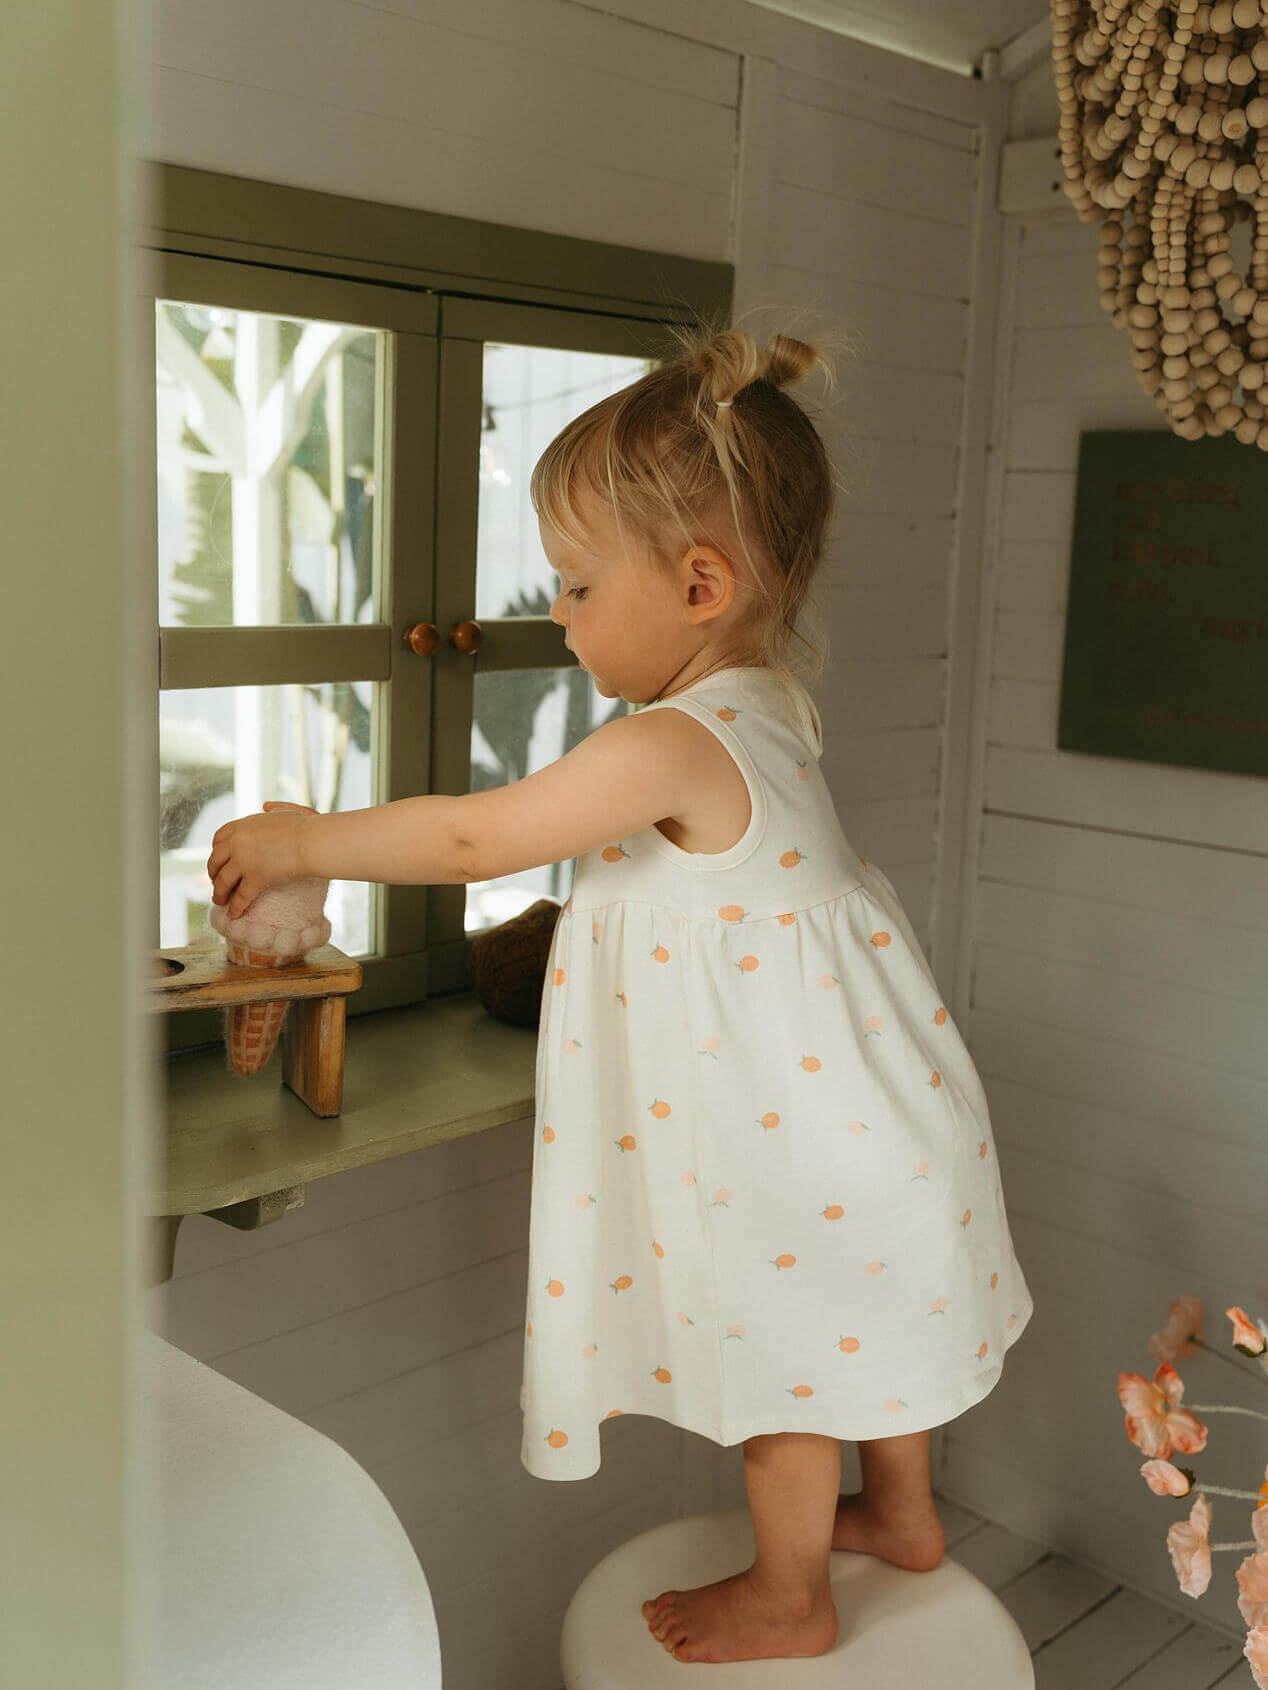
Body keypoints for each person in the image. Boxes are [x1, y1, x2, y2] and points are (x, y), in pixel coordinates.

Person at [206, 320, 1035, 1667]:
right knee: (868, 1324)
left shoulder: (669, 740)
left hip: (801, 1158)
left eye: (579, 588)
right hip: (878, 1127)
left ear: (701, 582)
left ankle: (792, 1590)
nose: (560, 614)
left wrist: (305, 841)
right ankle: (903, 1514)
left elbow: (480, 839)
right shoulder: (772, 704)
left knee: (788, 1369)